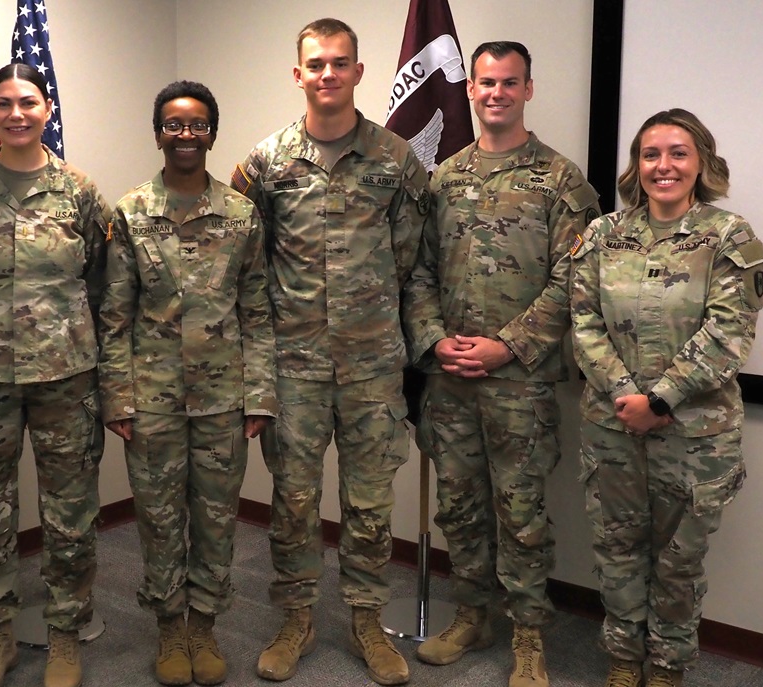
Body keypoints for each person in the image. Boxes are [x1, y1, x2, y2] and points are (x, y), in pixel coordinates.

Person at [230, 18, 430, 686]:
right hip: (294, 367)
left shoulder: (395, 160)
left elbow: (408, 261)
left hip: (373, 366)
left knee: (370, 505)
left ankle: (367, 620)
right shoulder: (264, 163)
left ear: (357, 73)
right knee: (291, 501)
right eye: (314, 64)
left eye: (339, 63)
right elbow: (243, 262)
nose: (326, 74)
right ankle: (296, 616)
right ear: (298, 74)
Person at [402, 41, 600, 687]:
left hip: (519, 383)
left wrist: (508, 344)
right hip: (450, 378)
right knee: (458, 508)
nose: (495, 93)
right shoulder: (443, 178)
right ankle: (471, 615)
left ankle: (527, 635)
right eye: (485, 82)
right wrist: (433, 339)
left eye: (508, 83)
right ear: (470, 89)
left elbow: (574, 279)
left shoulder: (561, 180)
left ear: (527, 90)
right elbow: (418, 270)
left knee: (519, 514)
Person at [571, 108, 763, 687]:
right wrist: (626, 395)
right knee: (617, 548)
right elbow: (583, 322)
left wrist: (658, 401)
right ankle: (624, 658)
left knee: (679, 561)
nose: (664, 166)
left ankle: (667, 665)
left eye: (678, 153)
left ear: (701, 161)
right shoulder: (604, 236)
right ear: (636, 165)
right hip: (612, 425)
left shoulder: (730, 237)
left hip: (696, 436)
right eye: (651, 154)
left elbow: (730, 331)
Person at [0, 63, 109, 687]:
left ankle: (65, 636)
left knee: (70, 513)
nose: (16, 113)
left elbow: (102, 278)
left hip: (66, 379)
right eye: (3, 102)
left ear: (47, 110)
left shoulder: (79, 192)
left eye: (28, 102)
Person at [98, 80, 277, 686]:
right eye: (173, 124)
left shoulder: (241, 214)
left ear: (211, 133)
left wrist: (260, 396)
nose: (185, 134)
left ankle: (205, 624)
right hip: (152, 402)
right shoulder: (130, 212)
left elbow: (257, 313)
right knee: (158, 518)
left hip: (224, 400)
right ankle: (169, 626)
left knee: (217, 519)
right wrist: (117, 396)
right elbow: (114, 315)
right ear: (158, 134)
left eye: (197, 124)